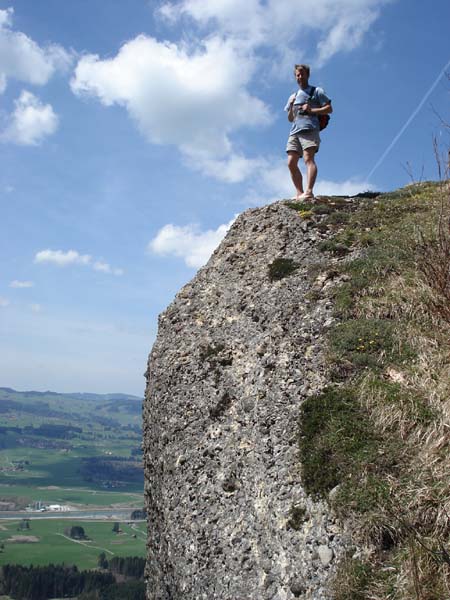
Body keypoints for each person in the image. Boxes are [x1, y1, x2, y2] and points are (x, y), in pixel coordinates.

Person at [285, 64, 332, 201]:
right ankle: (299, 193)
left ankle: (309, 191)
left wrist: (311, 110)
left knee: (308, 159)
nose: (299, 77)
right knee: (291, 162)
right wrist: (291, 107)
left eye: (302, 74)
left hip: (310, 129)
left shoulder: (316, 91)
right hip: (294, 131)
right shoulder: (292, 96)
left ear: (307, 75)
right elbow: (290, 119)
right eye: (297, 75)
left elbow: (329, 108)